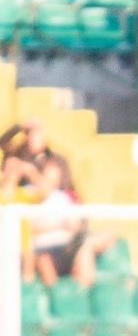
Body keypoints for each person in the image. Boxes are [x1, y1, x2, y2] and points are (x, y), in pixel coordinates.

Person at [1, 118, 115, 287]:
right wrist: (19, 127)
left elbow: (55, 192)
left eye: (36, 134)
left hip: (64, 236)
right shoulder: (20, 158)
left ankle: (77, 296)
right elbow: (3, 143)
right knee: (39, 258)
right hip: (37, 238)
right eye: (30, 135)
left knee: (91, 244)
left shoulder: (55, 161)